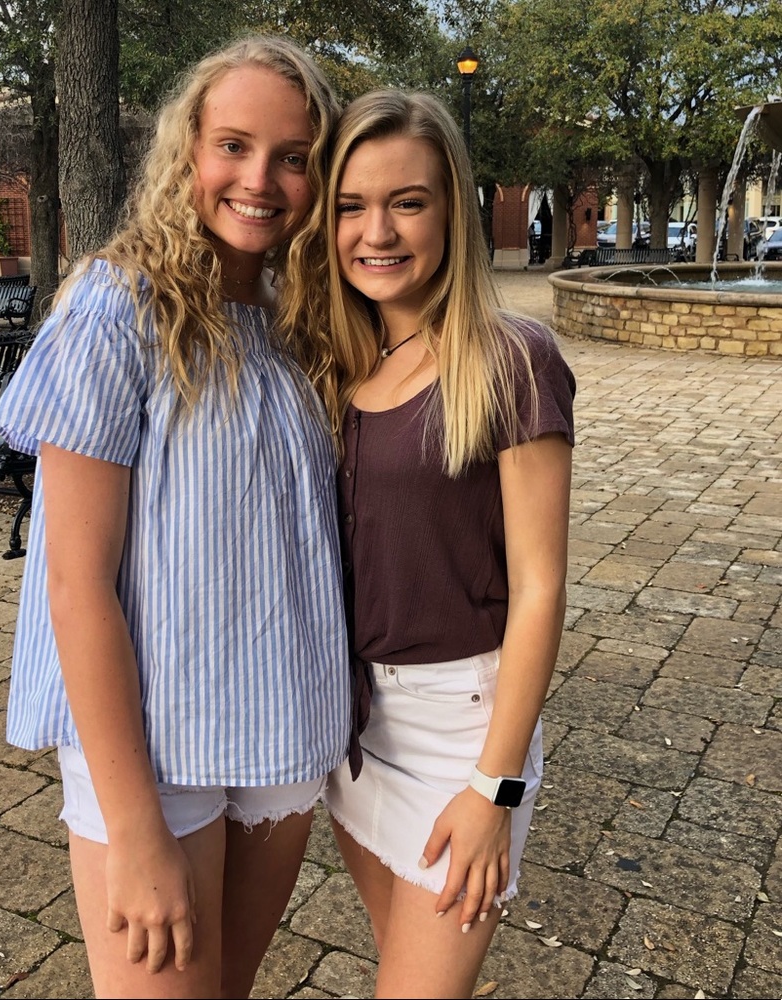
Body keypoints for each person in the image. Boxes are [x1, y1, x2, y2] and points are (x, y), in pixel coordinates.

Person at [0, 36, 349, 999]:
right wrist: (135, 828)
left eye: (294, 156)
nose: (260, 179)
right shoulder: (118, 307)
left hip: (279, 727)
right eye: (233, 145)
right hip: (156, 754)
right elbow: (75, 584)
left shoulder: (297, 314)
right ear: (187, 149)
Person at [320, 90, 575, 999]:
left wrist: (495, 788)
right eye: (351, 205)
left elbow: (541, 589)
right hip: (352, 728)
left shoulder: (513, 360)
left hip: (460, 731)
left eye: (408, 202)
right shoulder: (340, 363)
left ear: (454, 210)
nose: (376, 231)